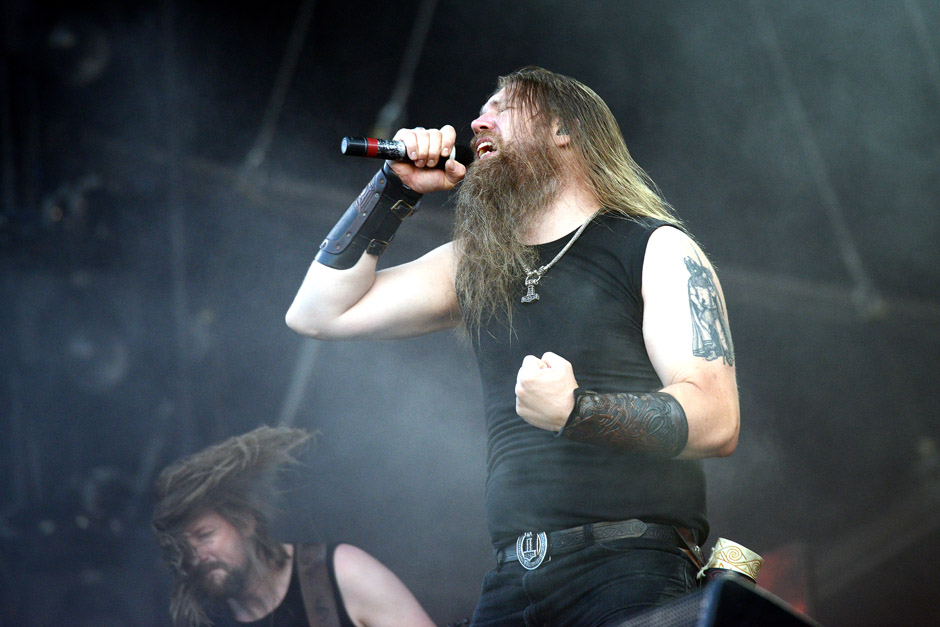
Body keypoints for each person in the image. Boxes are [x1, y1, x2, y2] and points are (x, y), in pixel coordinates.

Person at [285, 66, 740, 625]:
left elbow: (718, 419)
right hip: (512, 581)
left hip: (628, 567)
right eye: (482, 108)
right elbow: (317, 312)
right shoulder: (477, 264)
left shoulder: (655, 247)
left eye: (503, 106)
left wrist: (579, 410)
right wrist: (395, 188)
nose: (479, 120)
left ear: (564, 130)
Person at [152, 425, 435, 627]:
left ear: (245, 523)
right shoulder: (207, 620)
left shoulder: (338, 571)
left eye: (205, 535)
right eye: (184, 547)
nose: (196, 554)